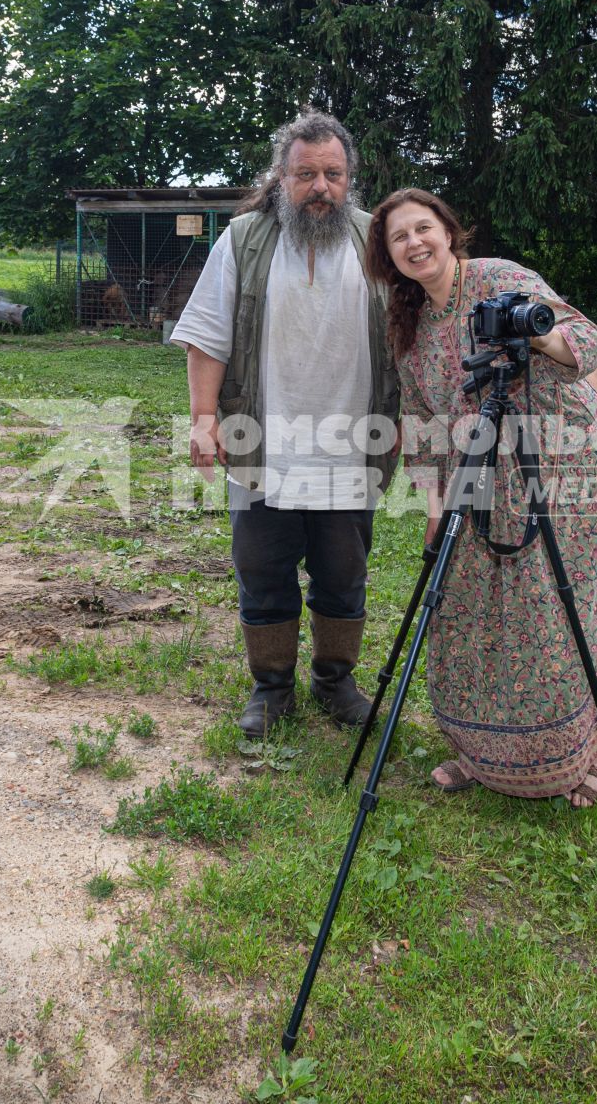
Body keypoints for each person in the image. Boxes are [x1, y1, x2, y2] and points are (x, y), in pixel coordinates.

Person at [365, 188, 597, 806]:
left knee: (562, 615)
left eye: (424, 228)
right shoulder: (405, 319)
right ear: (388, 256)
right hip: (479, 477)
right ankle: (485, 754)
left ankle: (589, 753)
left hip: (566, 466)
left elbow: (588, 339)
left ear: (447, 230)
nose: (415, 243)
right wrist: (434, 502)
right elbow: (416, 417)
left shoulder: (500, 277)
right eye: (399, 237)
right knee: (477, 615)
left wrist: (541, 339)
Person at [170, 110, 400, 739]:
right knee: (263, 571)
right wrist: (202, 420)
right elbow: (208, 338)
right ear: (282, 176)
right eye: (305, 174)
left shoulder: (376, 241)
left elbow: (409, 336)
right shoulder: (243, 239)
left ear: (350, 176)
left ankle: (335, 682)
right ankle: (271, 688)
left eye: (332, 173)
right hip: (261, 442)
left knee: (343, 573)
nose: (319, 186)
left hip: (352, 445)